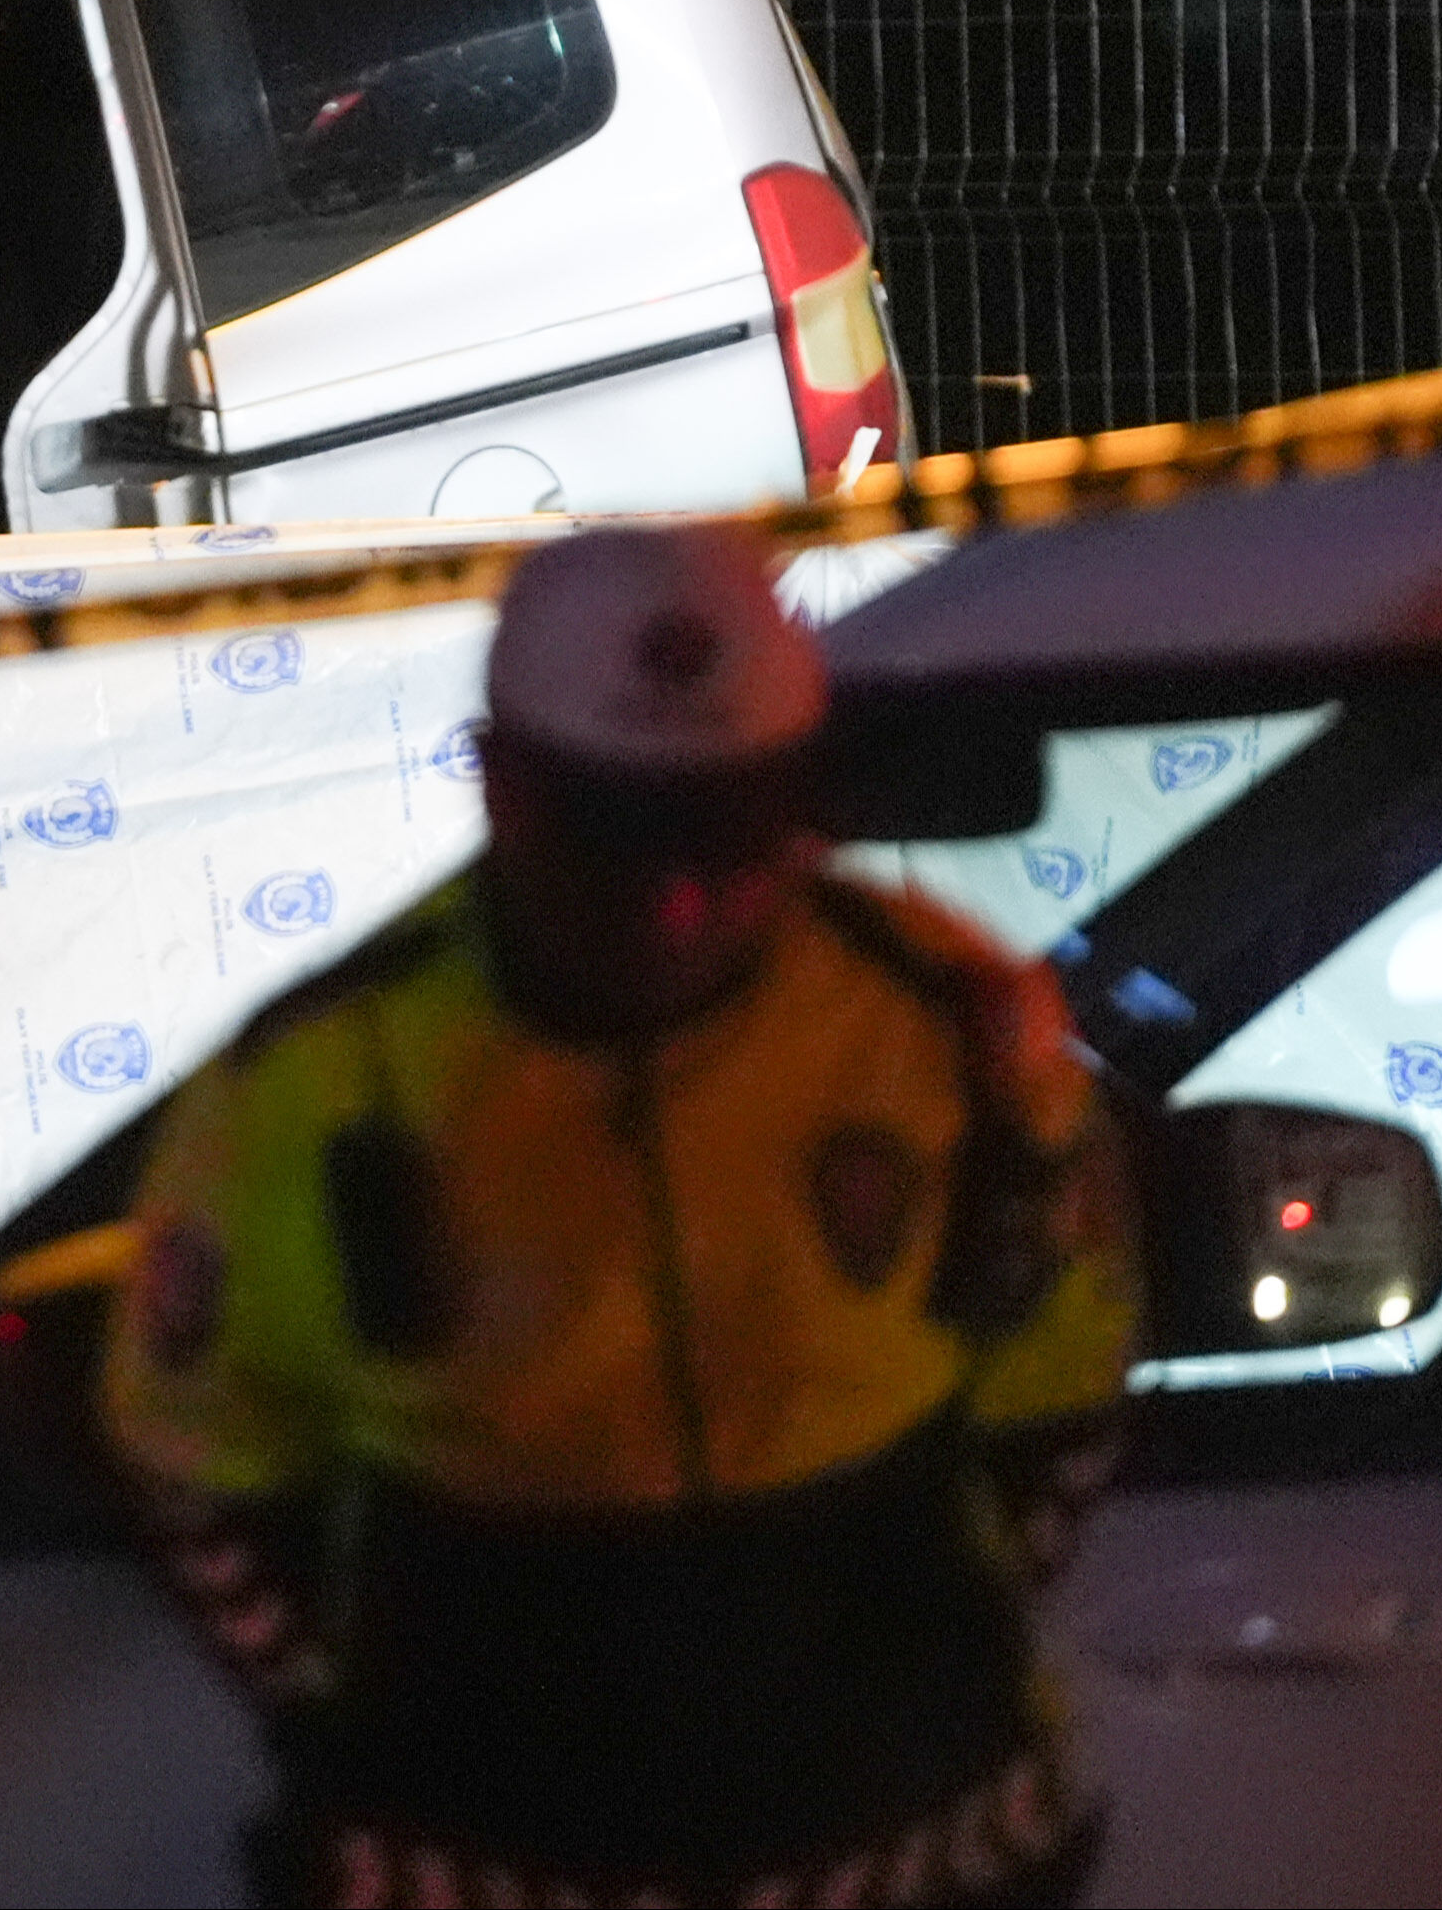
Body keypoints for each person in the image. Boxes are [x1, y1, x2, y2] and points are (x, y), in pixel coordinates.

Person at [99, 523, 1134, 1910]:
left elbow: (1063, 1376)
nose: (677, 903)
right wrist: (375, 1727)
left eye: (729, 839)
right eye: (617, 843)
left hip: (921, 1850)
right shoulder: (320, 1080)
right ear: (500, 784)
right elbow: (192, 1449)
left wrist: (896, 1652)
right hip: (476, 1871)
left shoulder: (955, 1027)